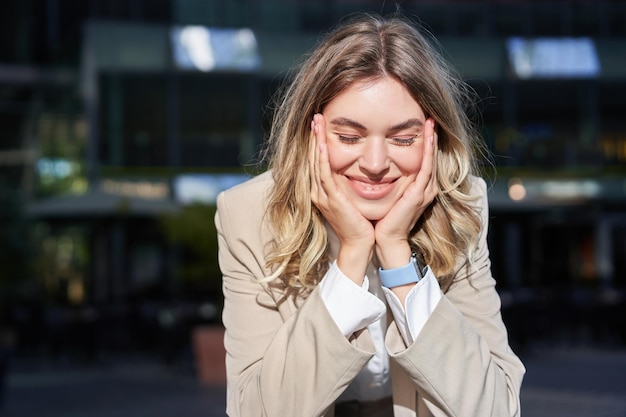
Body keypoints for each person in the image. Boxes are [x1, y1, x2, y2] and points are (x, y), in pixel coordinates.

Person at [215, 11, 525, 417]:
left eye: (402, 138)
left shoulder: (461, 206)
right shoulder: (249, 216)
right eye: (349, 136)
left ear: (434, 138)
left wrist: (397, 257)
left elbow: (496, 409)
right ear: (311, 135)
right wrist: (352, 256)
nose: (376, 163)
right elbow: (254, 410)